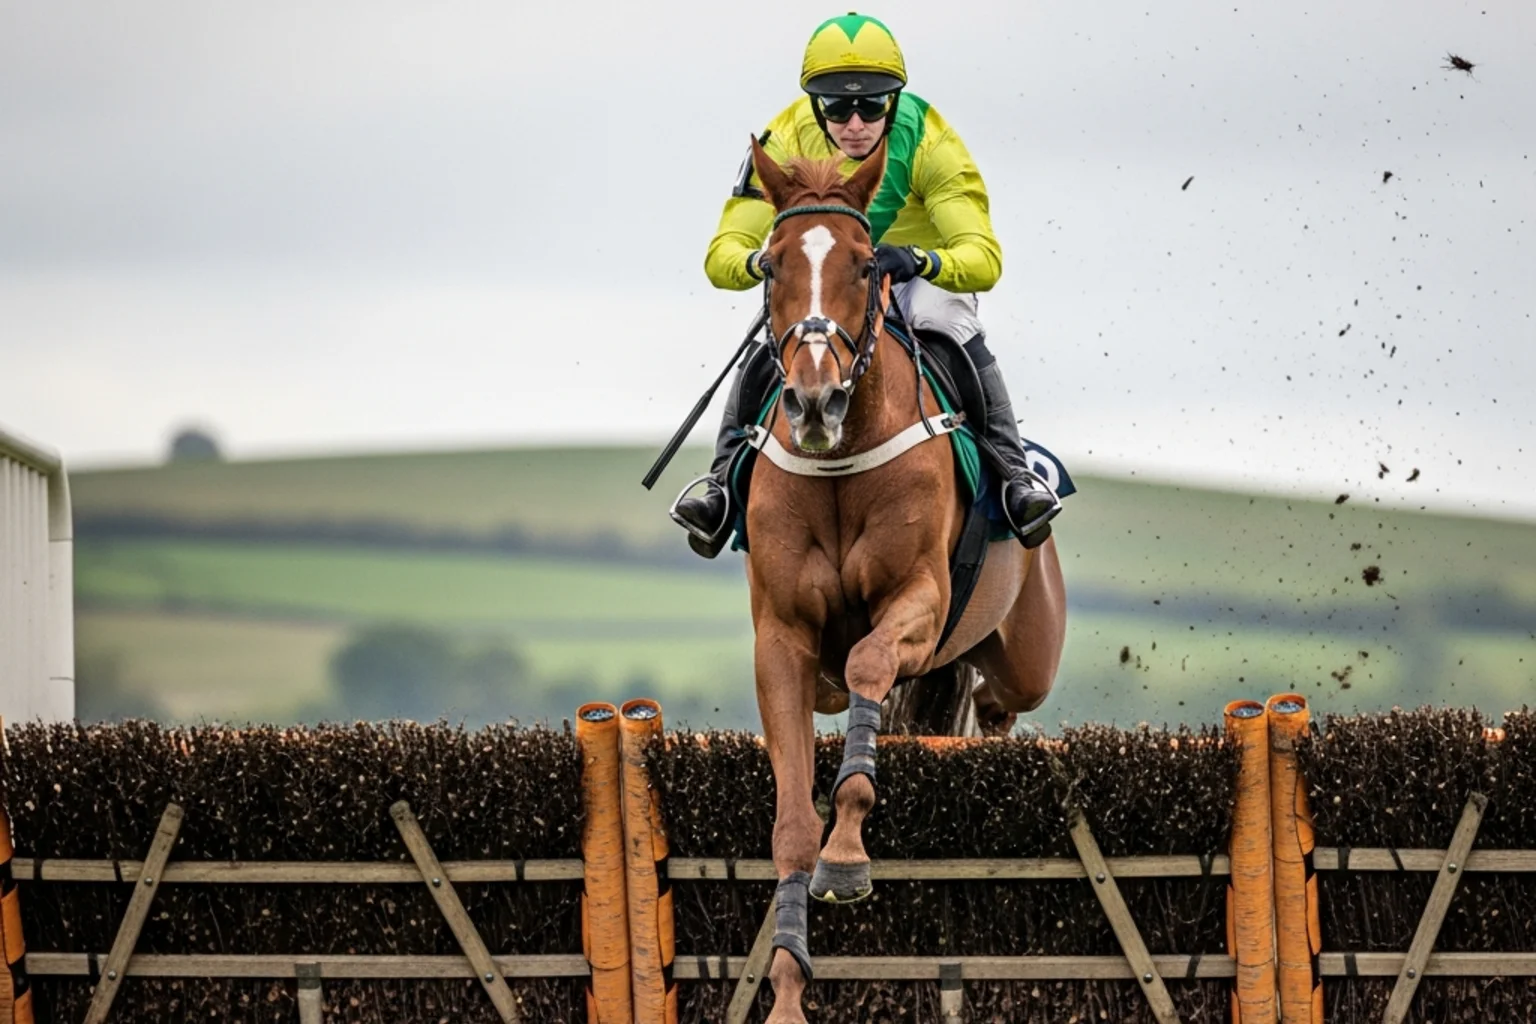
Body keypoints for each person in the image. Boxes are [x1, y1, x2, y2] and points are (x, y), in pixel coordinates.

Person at [671, 12, 1061, 558]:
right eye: (836, 106)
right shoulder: (781, 140)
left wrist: (921, 259)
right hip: (830, 280)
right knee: (774, 340)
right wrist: (762, 262)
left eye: (872, 104)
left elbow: (984, 259)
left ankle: (1014, 473)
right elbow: (722, 255)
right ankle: (718, 486)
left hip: (916, 276)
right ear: (814, 105)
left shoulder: (932, 143)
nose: (855, 122)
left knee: (944, 321)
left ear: (894, 100)